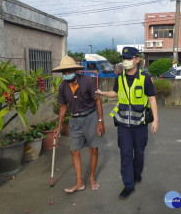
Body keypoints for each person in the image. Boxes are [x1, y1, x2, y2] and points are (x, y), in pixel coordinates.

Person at [96, 47, 158, 200]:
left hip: (140, 124)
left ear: (137, 59)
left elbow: (152, 98)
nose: (126, 61)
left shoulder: (145, 78)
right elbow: (116, 93)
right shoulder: (119, 77)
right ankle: (128, 185)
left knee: (139, 153)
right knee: (125, 154)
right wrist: (103, 93)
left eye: (129, 58)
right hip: (123, 124)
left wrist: (156, 120)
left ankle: (137, 174)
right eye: (124, 58)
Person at [52, 55, 105, 193]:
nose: (66, 74)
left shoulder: (87, 81)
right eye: (64, 72)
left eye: (68, 71)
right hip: (75, 121)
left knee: (93, 149)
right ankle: (79, 182)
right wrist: (59, 126)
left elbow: (97, 100)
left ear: (75, 70)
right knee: (74, 151)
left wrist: (100, 121)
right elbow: (63, 106)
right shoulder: (63, 86)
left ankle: (92, 178)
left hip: (90, 117)